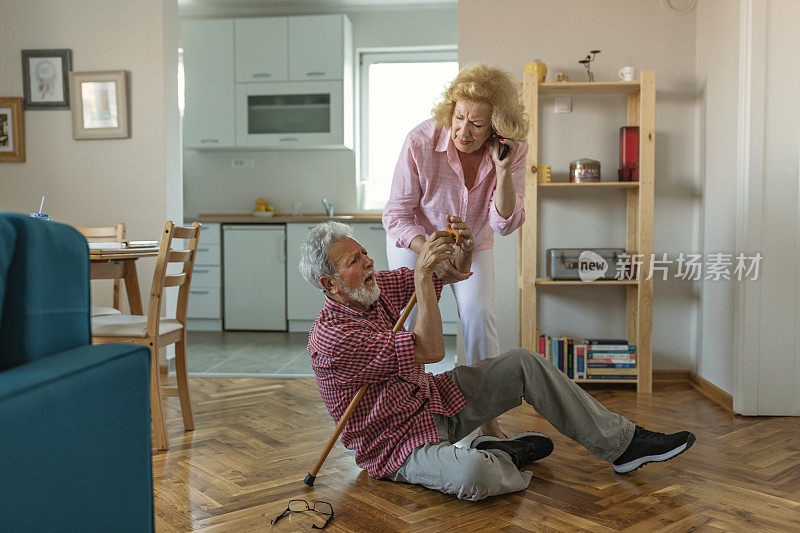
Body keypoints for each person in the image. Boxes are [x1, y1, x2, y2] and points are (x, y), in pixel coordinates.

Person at [300, 221, 695, 502]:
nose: (368, 262)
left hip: (433, 401)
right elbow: (431, 349)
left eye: (365, 252)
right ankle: (499, 455)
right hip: (397, 446)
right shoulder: (334, 340)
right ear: (330, 284)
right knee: (477, 475)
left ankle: (623, 445)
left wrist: (462, 249)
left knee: (524, 362)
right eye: (354, 261)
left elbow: (449, 274)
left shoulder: (376, 287)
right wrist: (421, 281)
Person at [382, 63, 529, 439]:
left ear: (496, 126)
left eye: (477, 124)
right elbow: (397, 215)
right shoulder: (420, 140)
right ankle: (409, 413)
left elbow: (505, 224)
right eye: (459, 117)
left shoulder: (512, 152)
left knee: (480, 314)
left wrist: (501, 171)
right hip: (416, 239)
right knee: (407, 319)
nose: (464, 131)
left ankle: (486, 416)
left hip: (473, 241)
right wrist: (432, 256)